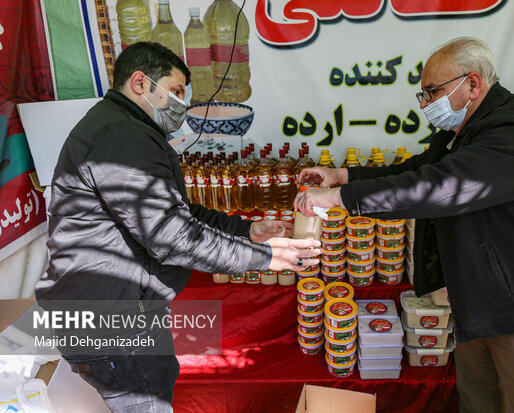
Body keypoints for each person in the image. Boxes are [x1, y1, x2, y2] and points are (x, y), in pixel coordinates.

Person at [295, 37, 514, 413]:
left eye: (433, 91)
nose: (426, 104)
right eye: (422, 95)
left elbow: (444, 186)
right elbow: (417, 171)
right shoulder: (463, 133)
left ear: (473, 84)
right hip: (482, 308)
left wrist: (341, 200)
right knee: (479, 405)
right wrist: (343, 176)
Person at [35, 42, 320, 412]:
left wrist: (246, 231)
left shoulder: (122, 129)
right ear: (140, 82)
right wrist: (263, 257)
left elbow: (178, 213)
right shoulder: (121, 137)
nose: (183, 103)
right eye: (177, 90)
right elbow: (172, 235)